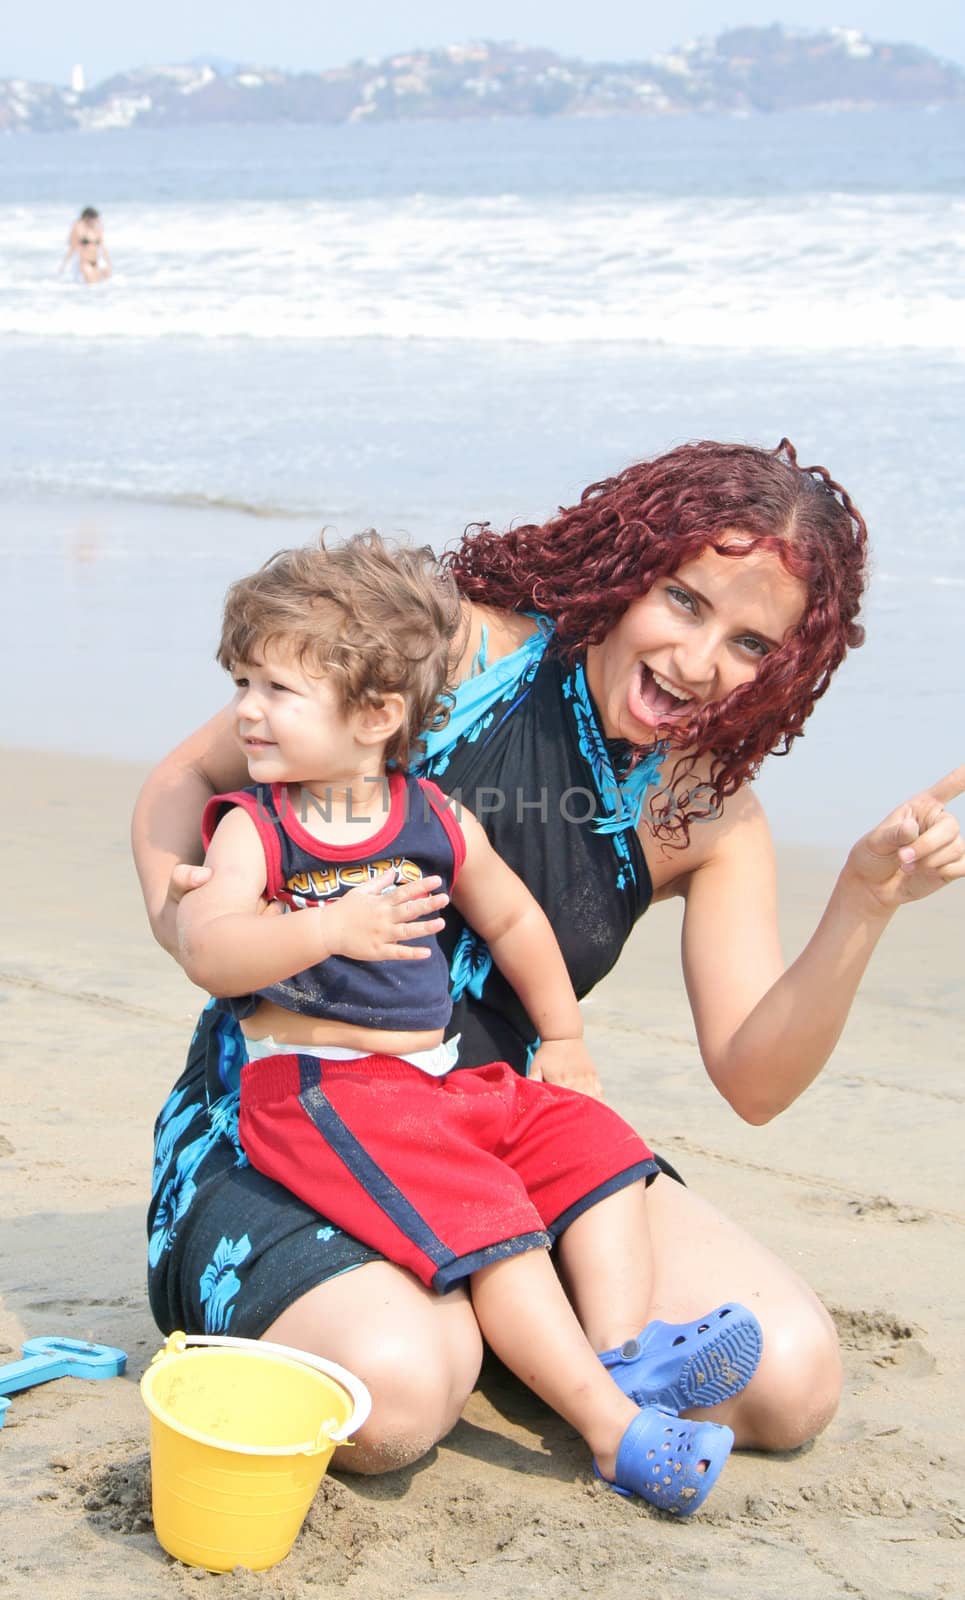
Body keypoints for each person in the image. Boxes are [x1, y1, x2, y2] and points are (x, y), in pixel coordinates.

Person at [134, 438, 964, 1476]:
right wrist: (195, 931)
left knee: (789, 1380)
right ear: (625, 570)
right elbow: (182, 781)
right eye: (684, 600)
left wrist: (862, 902)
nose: (701, 662)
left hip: (487, 1131)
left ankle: (531, 1333)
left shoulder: (703, 813)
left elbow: (754, 1080)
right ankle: (458, 1329)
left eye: (751, 645)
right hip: (289, 1113)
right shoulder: (452, 656)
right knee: (394, 1397)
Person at [173, 530, 764, 1515]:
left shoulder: (433, 816)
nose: (245, 712)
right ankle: (613, 1430)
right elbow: (212, 950)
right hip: (321, 1092)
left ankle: (617, 1355)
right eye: (244, 681)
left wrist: (563, 1036)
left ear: (376, 715)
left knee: (590, 1140)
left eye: (276, 691)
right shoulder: (257, 827)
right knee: (491, 1226)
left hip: (439, 1082)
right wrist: (324, 925)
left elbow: (514, 919)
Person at [61, 207, 111, 284]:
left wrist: (108, 262)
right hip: (84, 263)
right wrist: (64, 264)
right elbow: (72, 247)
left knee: (98, 286)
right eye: (93, 219)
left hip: (95, 262)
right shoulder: (79, 228)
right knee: (91, 284)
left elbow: (102, 248)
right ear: (87, 218)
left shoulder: (96, 230)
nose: (95, 221)